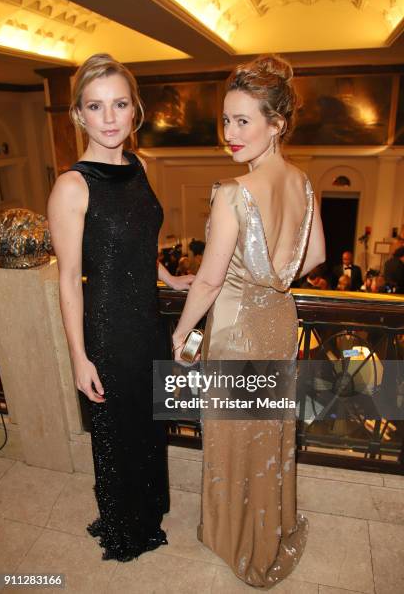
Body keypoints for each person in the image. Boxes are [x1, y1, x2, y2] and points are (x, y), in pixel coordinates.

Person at [172, 55, 325, 588]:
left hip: (237, 330)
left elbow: (210, 283)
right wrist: (267, 279)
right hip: (280, 320)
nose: (229, 134)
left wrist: (182, 332)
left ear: (276, 124)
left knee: (233, 436)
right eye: (226, 120)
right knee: (268, 433)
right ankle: (269, 527)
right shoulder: (304, 182)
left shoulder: (233, 193)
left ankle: (234, 536)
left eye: (243, 121)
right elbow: (312, 258)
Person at [47, 53, 193, 562]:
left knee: (148, 427)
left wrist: (170, 275)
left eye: (119, 104)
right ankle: (123, 526)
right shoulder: (72, 185)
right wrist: (79, 357)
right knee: (116, 436)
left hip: (147, 323)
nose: (109, 117)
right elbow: (68, 280)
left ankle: (148, 509)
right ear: (78, 115)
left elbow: (137, 243)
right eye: (95, 106)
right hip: (106, 331)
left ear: (136, 110)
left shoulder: (141, 166)